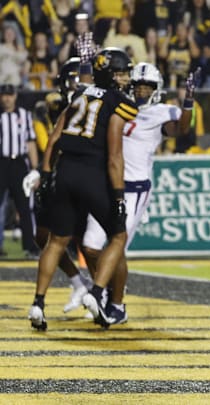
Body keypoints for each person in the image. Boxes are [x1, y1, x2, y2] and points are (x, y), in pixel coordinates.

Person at [28, 45, 138, 331]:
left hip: (64, 172)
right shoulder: (117, 101)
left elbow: (53, 140)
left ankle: (38, 303)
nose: (126, 79)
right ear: (111, 75)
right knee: (118, 235)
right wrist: (118, 195)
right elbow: (114, 155)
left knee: (56, 241)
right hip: (93, 173)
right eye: (122, 73)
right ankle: (97, 292)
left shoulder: (79, 94)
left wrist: (46, 175)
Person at [80, 63, 195, 324]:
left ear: (157, 90)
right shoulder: (119, 103)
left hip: (134, 188)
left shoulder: (161, 112)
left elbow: (181, 130)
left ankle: (117, 305)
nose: (142, 90)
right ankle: (108, 288)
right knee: (90, 246)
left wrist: (188, 101)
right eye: (139, 85)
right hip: (105, 183)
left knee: (116, 248)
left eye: (147, 86)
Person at [24, 57, 94, 313]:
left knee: (87, 242)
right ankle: (79, 283)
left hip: (86, 176)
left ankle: (104, 293)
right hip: (58, 176)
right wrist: (41, 171)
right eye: (73, 79)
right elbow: (50, 143)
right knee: (44, 235)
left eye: (81, 77)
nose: (77, 83)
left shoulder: (95, 103)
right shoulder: (52, 108)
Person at [0, 83, 39, 259]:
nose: (7, 98)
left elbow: (30, 143)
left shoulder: (24, 116)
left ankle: (30, 247)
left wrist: (35, 170)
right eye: (4, 95)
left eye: (9, 95)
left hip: (19, 163)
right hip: (2, 163)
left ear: (15, 96)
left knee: (25, 207)